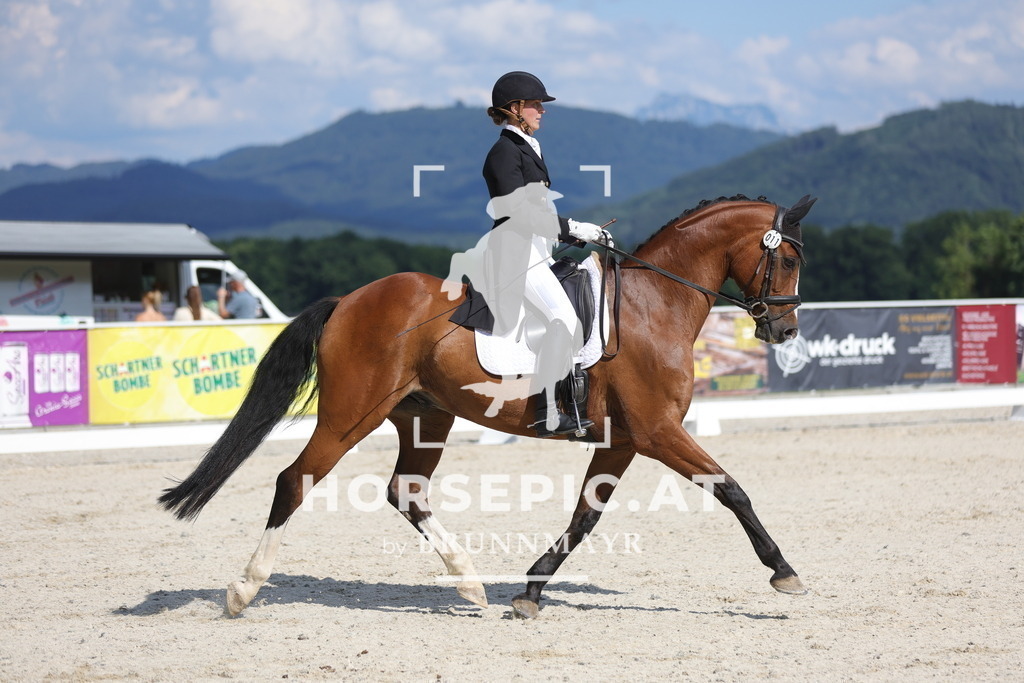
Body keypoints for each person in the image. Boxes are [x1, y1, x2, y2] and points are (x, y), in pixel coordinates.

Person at [473, 70, 613, 437]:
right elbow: (517, 210)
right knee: (562, 320)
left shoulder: (526, 148)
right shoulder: (503, 153)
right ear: (515, 109)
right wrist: (571, 227)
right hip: (514, 256)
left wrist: (580, 231)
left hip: (536, 251)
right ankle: (546, 412)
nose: (542, 110)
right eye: (535, 104)